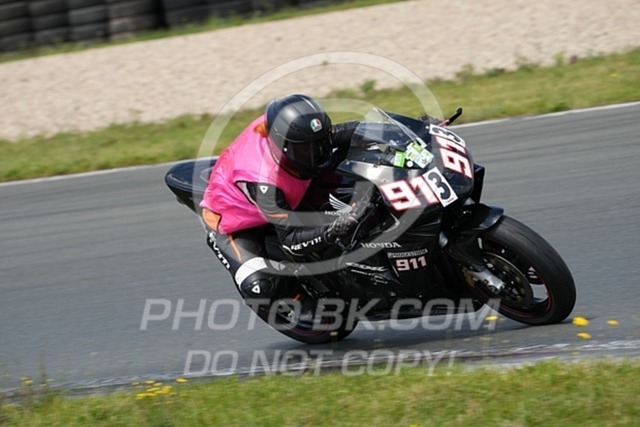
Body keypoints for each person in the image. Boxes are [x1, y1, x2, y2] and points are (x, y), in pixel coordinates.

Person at [199, 94, 361, 302]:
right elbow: (291, 241)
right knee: (259, 285)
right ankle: (302, 304)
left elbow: (352, 131)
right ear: (281, 146)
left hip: (283, 192)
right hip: (233, 221)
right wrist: (333, 230)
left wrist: (401, 130)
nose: (317, 153)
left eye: (320, 142)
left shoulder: (296, 132)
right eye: (305, 149)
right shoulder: (264, 183)